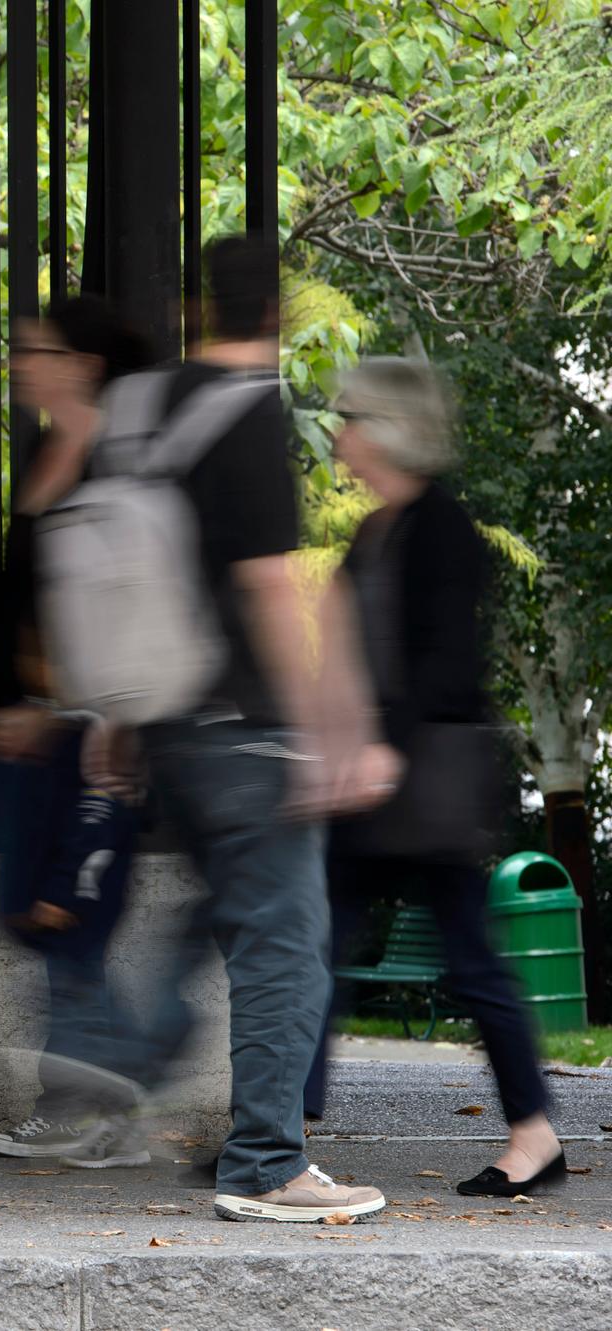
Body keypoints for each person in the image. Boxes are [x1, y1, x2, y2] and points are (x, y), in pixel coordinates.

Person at [82, 236, 393, 1223]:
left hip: (164, 720)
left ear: (193, 306)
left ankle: (123, 1059)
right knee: (283, 945)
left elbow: (113, 565)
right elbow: (266, 587)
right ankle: (265, 1161)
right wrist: (315, 730)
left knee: (221, 914)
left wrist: (117, 719)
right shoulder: (248, 414)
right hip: (240, 723)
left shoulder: (134, 408)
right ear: (277, 315)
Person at [302, 357, 562, 1197]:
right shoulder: (375, 531)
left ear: (389, 427)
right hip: (370, 784)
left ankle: (533, 1134)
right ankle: (280, 1132)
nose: (338, 433)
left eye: (350, 416)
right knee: (318, 946)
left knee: (469, 962)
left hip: (427, 782)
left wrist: (385, 748)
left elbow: (448, 663)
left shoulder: (442, 529)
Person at [0, 299, 150, 1166]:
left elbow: (120, 602)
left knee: (63, 915)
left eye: (38, 350)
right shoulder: (41, 452)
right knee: (27, 911)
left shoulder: (117, 461)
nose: (19, 360)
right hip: (27, 729)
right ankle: (110, 1085)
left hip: (86, 730)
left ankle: (94, 1096)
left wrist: (59, 700)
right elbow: (38, 588)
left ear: (86, 363)